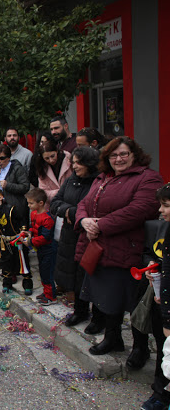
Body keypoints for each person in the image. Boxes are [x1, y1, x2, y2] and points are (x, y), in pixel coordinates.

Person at [75, 136, 163, 355]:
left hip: (129, 251)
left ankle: (140, 348)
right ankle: (112, 338)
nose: (119, 159)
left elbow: (140, 210)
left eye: (124, 154)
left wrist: (100, 225)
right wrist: (83, 220)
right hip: (101, 249)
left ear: (135, 155)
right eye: (113, 155)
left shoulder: (148, 178)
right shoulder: (103, 177)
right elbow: (83, 204)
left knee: (133, 303)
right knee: (108, 299)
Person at [50, 147, 100, 328]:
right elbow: (55, 203)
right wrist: (69, 211)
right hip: (70, 234)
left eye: (79, 162)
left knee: (91, 276)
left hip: (91, 236)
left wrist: (75, 213)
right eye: (73, 162)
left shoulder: (99, 181)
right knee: (75, 275)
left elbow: (95, 208)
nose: (74, 166)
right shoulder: (72, 180)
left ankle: (98, 318)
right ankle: (80, 311)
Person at [137, 184, 170, 410]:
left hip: (167, 308)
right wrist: (154, 266)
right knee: (163, 351)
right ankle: (161, 391)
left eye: (166, 205)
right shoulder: (165, 228)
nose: (161, 210)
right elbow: (154, 253)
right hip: (163, 302)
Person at [25, 188, 57, 305]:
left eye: (31, 203)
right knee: (42, 272)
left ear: (41, 203)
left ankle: (51, 297)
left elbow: (45, 237)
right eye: (28, 203)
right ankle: (46, 292)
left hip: (48, 249)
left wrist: (30, 242)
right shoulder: (33, 213)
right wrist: (29, 232)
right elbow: (33, 227)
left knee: (47, 272)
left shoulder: (47, 218)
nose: (28, 205)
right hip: (40, 249)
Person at [0, 144, 30, 226]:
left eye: (2, 158)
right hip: (0, 210)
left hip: (15, 210)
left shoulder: (17, 168)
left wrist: (8, 185)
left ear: (8, 157)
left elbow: (25, 187)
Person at [34, 140, 72, 205]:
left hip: (70, 200)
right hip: (52, 205)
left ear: (56, 151)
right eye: (47, 158)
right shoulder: (41, 167)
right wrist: (58, 192)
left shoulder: (68, 160)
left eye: (52, 156)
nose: (51, 160)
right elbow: (43, 191)